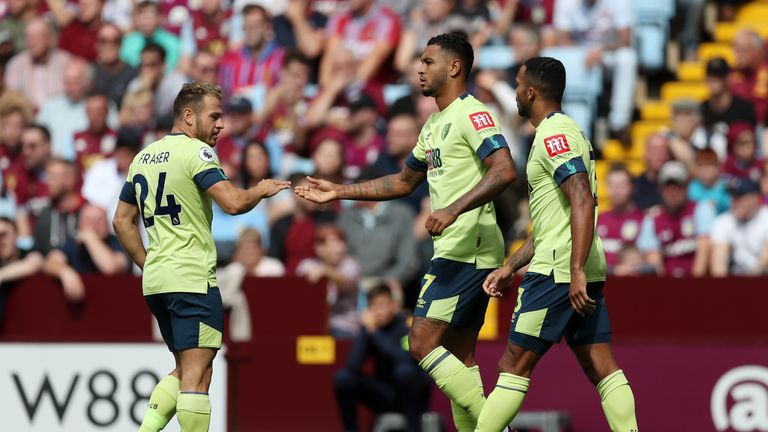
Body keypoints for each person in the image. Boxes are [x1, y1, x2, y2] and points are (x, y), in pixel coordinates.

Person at [296, 33, 516, 430]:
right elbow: (402, 182)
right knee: (459, 360)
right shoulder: (433, 124)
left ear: (454, 67)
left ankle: (496, 427)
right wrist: (340, 191)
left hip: (468, 249)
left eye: (429, 61)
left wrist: (452, 208)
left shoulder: (472, 113)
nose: (419, 68)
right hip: (457, 248)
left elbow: (504, 169)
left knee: (420, 343)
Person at [112, 82, 289, 432]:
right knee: (198, 375)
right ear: (189, 116)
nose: (221, 124)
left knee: (184, 369)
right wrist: (261, 190)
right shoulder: (197, 152)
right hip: (192, 277)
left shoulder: (142, 157)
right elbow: (234, 203)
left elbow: (121, 221)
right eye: (215, 116)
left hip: (158, 281)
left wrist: (148, 264)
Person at [476, 57, 637, 431]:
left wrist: (575, 270)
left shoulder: (553, 136)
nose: (515, 92)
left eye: (517, 85)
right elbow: (557, 221)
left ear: (530, 92)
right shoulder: (566, 131)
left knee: (513, 364)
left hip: (559, 270)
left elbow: (581, 198)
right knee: (600, 365)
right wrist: (510, 265)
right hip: (576, 262)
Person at [333, 283, 431, 432]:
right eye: (373, 306)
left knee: (404, 371)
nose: (378, 312)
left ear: (394, 305)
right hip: (385, 394)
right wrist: (365, 331)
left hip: (412, 394)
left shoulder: (406, 325)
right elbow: (352, 365)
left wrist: (374, 333)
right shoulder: (371, 328)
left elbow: (405, 359)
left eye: (382, 305)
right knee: (343, 378)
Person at [636, 161, 715, 277]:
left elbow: (704, 249)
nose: (672, 191)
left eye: (678, 186)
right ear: (660, 189)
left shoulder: (701, 210)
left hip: (697, 284)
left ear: (686, 187)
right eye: (667, 186)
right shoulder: (652, 220)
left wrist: (694, 287)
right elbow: (654, 261)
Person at [296, 224, 362, 338]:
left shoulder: (351, 264)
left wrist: (325, 271)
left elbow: (345, 280)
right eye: (333, 243)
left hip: (343, 325)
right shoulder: (307, 265)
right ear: (318, 248)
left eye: (341, 242)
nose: (339, 248)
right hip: (312, 323)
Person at [710, 177, 768, 276]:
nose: (733, 201)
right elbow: (719, 262)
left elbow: (764, 262)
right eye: (731, 196)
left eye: (738, 197)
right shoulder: (723, 221)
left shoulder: (765, 217)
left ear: (754, 198)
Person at [596, 164, 644, 272]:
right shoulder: (598, 220)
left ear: (631, 187)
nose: (617, 190)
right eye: (612, 185)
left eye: (622, 185)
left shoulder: (643, 220)